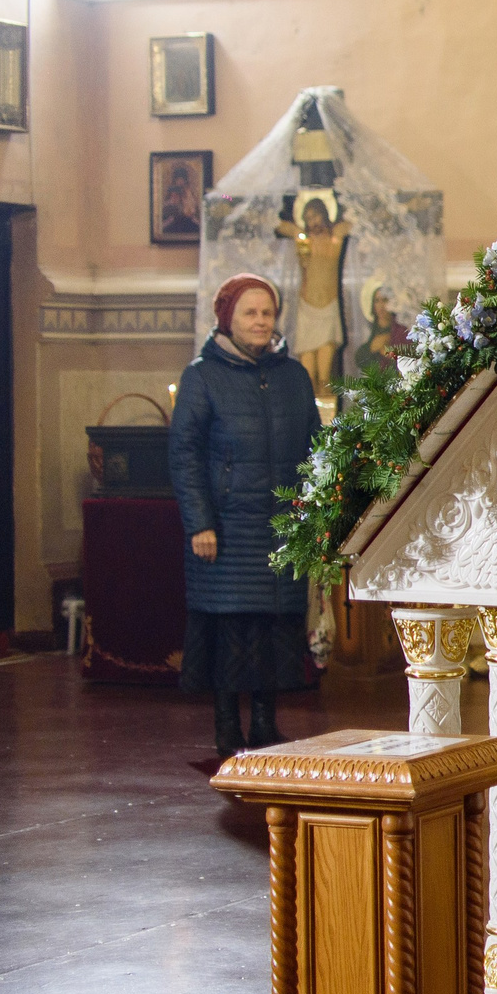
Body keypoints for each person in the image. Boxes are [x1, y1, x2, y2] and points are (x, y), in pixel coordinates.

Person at [172, 274, 321, 758]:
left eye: (267, 313)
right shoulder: (203, 375)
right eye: (249, 314)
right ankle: (225, 725)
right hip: (227, 530)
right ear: (227, 320)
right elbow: (185, 454)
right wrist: (200, 522)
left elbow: (317, 447)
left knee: (274, 626)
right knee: (230, 630)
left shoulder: (292, 376)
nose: (260, 322)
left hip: (281, 528)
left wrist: (315, 515)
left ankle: (263, 724)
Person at [274, 193, 351, 392]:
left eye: (315, 216)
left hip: (328, 308)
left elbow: (354, 223)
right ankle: (308, 420)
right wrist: (297, 229)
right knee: (306, 377)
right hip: (306, 309)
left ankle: (326, 422)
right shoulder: (303, 241)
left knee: (325, 377)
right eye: (308, 218)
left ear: (325, 215)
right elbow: (278, 225)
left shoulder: (336, 238)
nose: (312, 222)